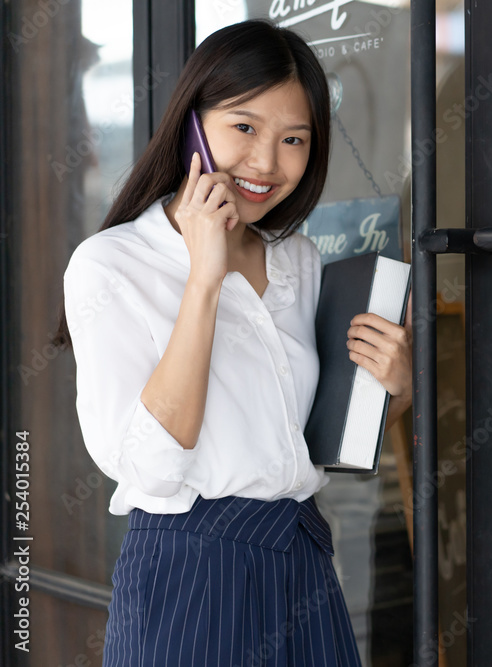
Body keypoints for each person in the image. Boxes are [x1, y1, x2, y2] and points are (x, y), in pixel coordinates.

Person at [54, 19, 412, 667]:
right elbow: (154, 467)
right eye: (243, 128)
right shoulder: (109, 266)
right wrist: (205, 278)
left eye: (294, 138)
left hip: (301, 558)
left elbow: (294, 436)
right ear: (192, 125)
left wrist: (395, 389)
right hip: (191, 571)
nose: (267, 163)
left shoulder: (298, 260)